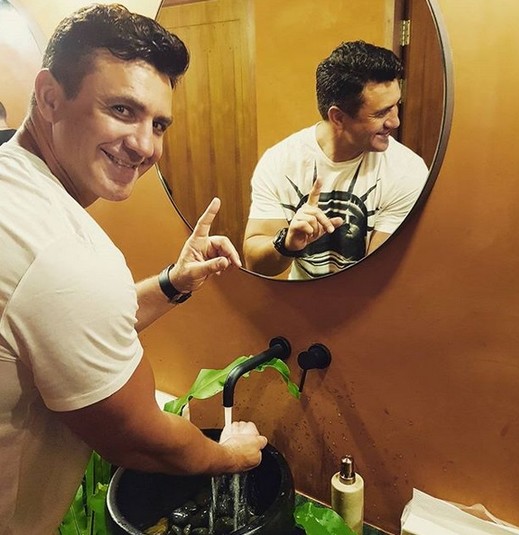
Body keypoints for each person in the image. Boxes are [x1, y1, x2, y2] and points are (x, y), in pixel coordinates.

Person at [0, 5, 268, 533]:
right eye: (122, 109)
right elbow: (142, 439)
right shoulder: (61, 251)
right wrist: (230, 454)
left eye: (159, 124)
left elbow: (58, 326)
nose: (145, 146)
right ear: (50, 96)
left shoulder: (14, 187)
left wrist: (173, 283)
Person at [243, 40, 429, 280]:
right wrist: (287, 243)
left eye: (395, 106)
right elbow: (256, 263)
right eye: (381, 113)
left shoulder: (407, 170)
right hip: (298, 299)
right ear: (338, 118)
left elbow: (379, 278)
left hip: (367, 301)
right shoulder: (280, 162)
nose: (395, 121)